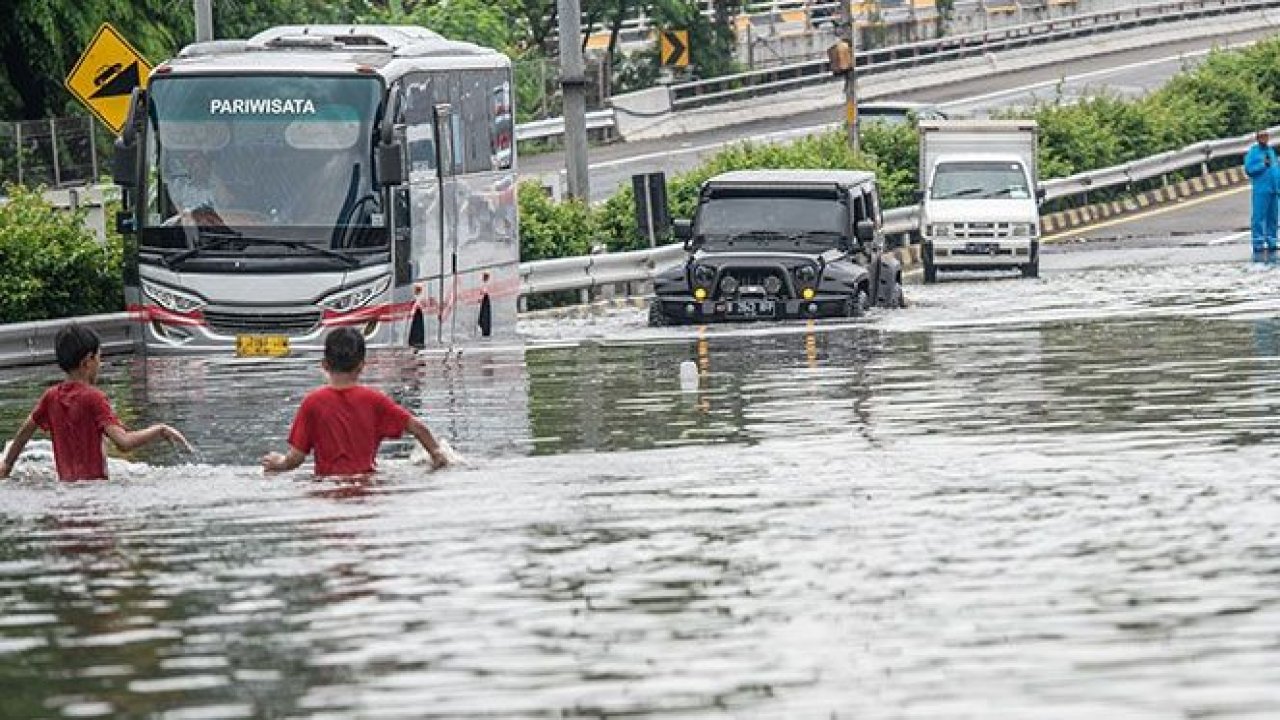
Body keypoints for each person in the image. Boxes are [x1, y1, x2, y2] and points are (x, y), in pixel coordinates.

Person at [0, 324, 191, 481]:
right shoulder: (94, 398)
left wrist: (7, 465)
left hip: (66, 490)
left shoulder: (50, 396)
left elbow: (24, 432)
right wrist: (160, 429)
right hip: (95, 491)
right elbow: (123, 443)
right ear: (88, 361)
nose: (101, 363)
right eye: (100, 357)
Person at [261, 327, 450, 475]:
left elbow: (296, 459)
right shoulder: (375, 401)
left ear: (325, 365)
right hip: (367, 481)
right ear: (362, 365)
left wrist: (279, 463)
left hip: (327, 488)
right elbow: (418, 427)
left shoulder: (312, 403)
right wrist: (436, 454)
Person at [1243, 129, 1279, 259]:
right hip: (1261, 189)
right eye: (1261, 137)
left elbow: (1275, 170)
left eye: (1266, 137)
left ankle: (1272, 240)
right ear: (1257, 139)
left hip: (1273, 189)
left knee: (1273, 217)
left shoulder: (1271, 151)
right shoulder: (1253, 153)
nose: (1264, 139)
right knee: (1259, 217)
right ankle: (1258, 242)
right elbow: (1249, 170)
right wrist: (1262, 165)